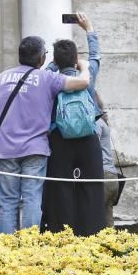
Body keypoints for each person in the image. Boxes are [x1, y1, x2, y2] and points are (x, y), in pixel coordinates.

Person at [0, 35, 90, 234]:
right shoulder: (47, 78)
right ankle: (29, 245)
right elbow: (83, 83)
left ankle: (4, 247)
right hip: (35, 148)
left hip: (5, 149)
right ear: (42, 59)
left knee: (7, 201)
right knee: (31, 198)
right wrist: (84, 67)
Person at [42, 13, 104, 236]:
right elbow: (96, 56)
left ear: (56, 60)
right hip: (88, 137)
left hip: (59, 138)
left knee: (60, 188)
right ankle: (93, 233)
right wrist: (89, 28)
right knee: (93, 187)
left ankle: (62, 234)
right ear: (76, 59)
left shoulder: (50, 79)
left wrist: (55, 61)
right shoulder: (87, 75)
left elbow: (46, 70)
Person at [94, 93, 121, 229]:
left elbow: (94, 147)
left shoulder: (96, 123)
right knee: (108, 217)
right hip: (111, 175)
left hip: (102, 174)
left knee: (96, 217)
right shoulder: (103, 122)